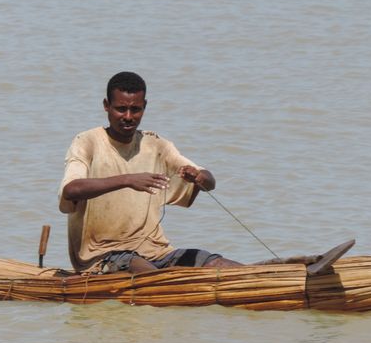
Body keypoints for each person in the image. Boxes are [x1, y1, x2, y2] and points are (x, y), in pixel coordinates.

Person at [59, 72, 241, 274]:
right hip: (102, 255)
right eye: (121, 109)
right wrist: (127, 180)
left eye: (135, 110)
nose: (128, 117)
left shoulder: (156, 145)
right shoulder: (87, 141)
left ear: (144, 107)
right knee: (154, 276)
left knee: (214, 263)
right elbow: (71, 190)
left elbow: (209, 181)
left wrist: (198, 177)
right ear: (106, 106)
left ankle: (264, 275)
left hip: (157, 252)